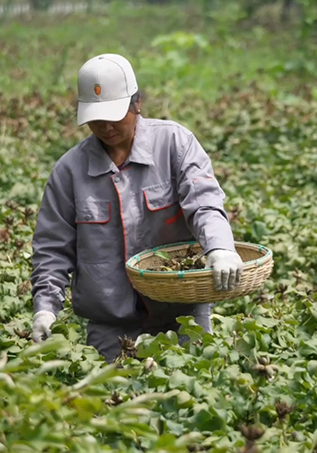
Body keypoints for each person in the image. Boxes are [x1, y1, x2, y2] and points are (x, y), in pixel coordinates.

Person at [29, 53, 244, 362]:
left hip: (182, 314)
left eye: (115, 115)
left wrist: (220, 247)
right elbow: (52, 248)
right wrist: (46, 309)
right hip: (110, 324)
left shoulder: (174, 144)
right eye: (95, 117)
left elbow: (205, 204)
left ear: (137, 104)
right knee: (109, 403)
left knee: (190, 390)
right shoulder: (69, 170)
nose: (105, 126)